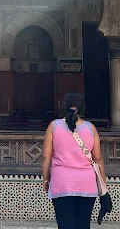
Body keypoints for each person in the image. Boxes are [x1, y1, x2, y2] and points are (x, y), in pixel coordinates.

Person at [42, 92, 107, 229]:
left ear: (64, 106)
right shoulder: (91, 128)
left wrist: (46, 179)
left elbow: (46, 157)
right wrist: (104, 185)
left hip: (62, 183)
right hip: (87, 184)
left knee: (65, 225)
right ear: (82, 108)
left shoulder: (54, 126)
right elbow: (98, 159)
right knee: (83, 225)